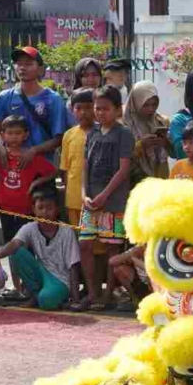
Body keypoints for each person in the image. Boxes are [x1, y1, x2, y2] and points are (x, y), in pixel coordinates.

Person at [79, 85, 133, 311]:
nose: (100, 113)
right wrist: (84, 194)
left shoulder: (124, 134)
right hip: (91, 201)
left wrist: (104, 195)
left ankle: (108, 293)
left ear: (117, 109)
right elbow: (84, 167)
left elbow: (123, 169)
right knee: (85, 244)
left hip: (113, 202)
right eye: (97, 108)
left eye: (105, 109)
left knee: (112, 249)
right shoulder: (91, 133)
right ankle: (93, 292)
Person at [0, 185, 81, 311]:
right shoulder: (30, 227)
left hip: (60, 280)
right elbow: (14, 244)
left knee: (46, 299)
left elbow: (73, 266)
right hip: (42, 273)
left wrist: (76, 300)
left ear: (57, 210)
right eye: (40, 208)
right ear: (34, 210)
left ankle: (46, 298)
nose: (45, 213)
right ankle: (36, 296)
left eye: (49, 208)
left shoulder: (66, 231)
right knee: (17, 252)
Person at [0, 47, 71, 165]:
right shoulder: (4, 97)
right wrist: (0, 146)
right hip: (12, 168)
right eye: (19, 64)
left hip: (43, 169)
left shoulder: (53, 99)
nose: (22, 68)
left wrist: (33, 151)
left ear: (40, 69)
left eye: (29, 64)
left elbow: (58, 139)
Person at [0, 116, 58, 243]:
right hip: (4, 206)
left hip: (26, 208)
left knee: (26, 242)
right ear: (3, 135)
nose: (14, 137)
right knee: (9, 241)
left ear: (26, 135)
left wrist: (35, 183)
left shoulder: (30, 156)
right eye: (10, 133)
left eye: (18, 133)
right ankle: (13, 263)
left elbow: (54, 172)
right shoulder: (2, 156)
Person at [125, 81, 170, 186]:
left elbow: (174, 152)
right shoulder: (124, 124)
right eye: (146, 105)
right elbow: (120, 158)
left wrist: (165, 142)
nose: (151, 109)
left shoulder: (162, 121)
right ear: (136, 102)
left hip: (159, 179)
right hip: (134, 182)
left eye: (154, 104)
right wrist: (141, 145)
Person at [61, 88, 94, 227]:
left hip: (95, 198)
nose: (83, 112)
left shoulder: (103, 133)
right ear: (72, 110)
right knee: (77, 237)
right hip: (73, 198)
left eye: (88, 107)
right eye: (78, 108)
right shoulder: (69, 135)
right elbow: (64, 168)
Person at [107, 245, 149, 312]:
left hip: (156, 285)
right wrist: (131, 254)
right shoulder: (137, 248)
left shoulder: (157, 249)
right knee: (118, 268)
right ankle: (135, 300)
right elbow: (112, 261)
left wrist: (134, 259)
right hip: (142, 284)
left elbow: (150, 270)